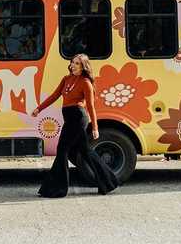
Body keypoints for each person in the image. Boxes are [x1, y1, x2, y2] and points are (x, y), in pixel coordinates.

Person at [32, 53, 119, 198]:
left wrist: (95, 128)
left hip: (78, 118)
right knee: (85, 151)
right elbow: (54, 96)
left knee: (62, 150)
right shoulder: (66, 79)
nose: (73, 65)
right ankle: (109, 182)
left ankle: (56, 189)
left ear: (83, 66)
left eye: (77, 63)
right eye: (72, 62)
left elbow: (91, 106)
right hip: (69, 118)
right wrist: (39, 108)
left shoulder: (86, 82)